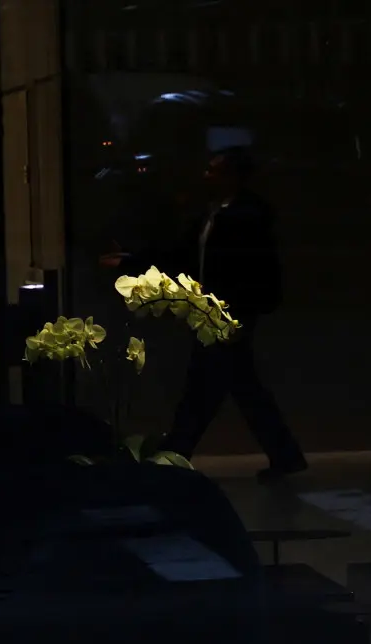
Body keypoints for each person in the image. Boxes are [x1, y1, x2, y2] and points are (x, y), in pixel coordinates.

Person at [101, 146, 306, 481]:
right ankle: (278, 454)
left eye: (215, 170)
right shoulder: (220, 213)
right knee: (230, 385)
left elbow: (245, 269)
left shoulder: (241, 217)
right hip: (218, 312)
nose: (207, 176)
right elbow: (182, 254)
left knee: (211, 385)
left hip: (225, 313)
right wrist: (132, 260)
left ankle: (179, 453)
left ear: (233, 176)